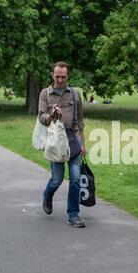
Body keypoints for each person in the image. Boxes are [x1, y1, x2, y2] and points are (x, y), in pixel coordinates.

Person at [38, 61, 87, 228]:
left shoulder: (74, 94)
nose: (59, 80)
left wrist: (83, 144)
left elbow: (80, 121)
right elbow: (41, 117)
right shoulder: (45, 93)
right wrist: (52, 114)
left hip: (73, 140)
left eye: (63, 77)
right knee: (57, 179)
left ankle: (73, 214)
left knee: (75, 178)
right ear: (53, 75)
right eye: (57, 76)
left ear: (68, 76)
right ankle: (47, 195)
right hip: (55, 141)